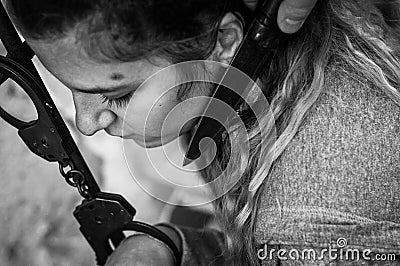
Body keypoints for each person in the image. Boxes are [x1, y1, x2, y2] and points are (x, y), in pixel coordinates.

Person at [4, 0, 400, 265]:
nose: (87, 124)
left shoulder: (313, 208)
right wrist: (170, 246)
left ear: (224, 43)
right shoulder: (234, 96)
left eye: (118, 95)